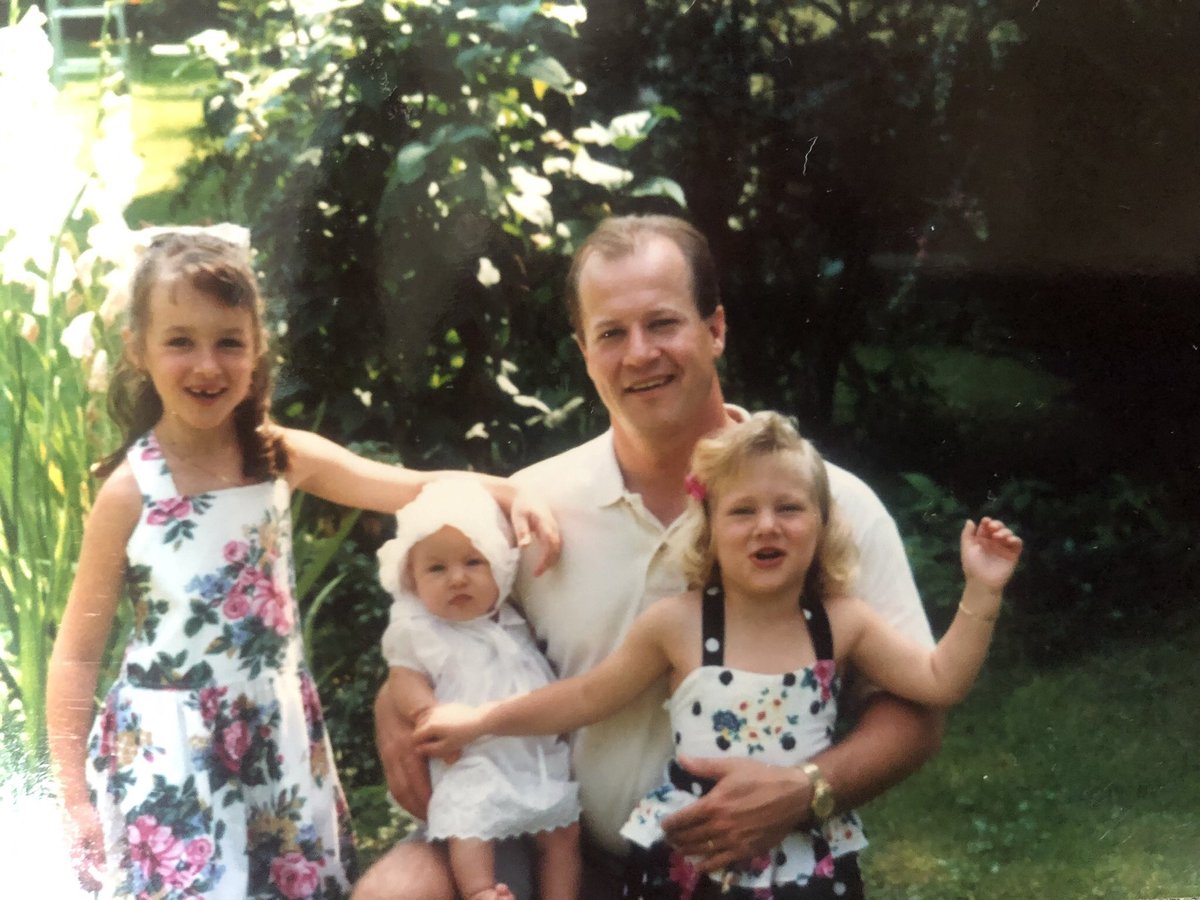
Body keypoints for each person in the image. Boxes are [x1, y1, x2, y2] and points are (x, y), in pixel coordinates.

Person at [360, 215, 945, 899]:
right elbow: (446, 629)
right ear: (584, 352)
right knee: (397, 891)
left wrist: (806, 788)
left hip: (749, 869)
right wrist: (393, 701)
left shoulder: (823, 506)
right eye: (611, 333)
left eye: (663, 323)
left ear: (715, 329)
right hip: (558, 850)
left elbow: (915, 709)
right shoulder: (533, 509)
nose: (640, 354)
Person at [45, 231, 559, 900]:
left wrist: (514, 493)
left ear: (257, 348)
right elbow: (76, 654)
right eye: (180, 342)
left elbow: (408, 486)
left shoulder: (276, 456)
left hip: (275, 742)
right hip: (171, 752)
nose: (207, 364)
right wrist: (72, 796)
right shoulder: (130, 490)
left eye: (229, 341)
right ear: (138, 349)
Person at [414, 412, 1023, 897]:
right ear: (708, 527)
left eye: (789, 508)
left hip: (800, 857)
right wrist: (480, 720)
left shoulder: (842, 623)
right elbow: (585, 697)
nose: (767, 526)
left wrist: (982, 591)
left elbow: (940, 682)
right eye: (742, 511)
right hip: (691, 859)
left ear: (821, 522)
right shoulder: (678, 623)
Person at [376, 479, 581, 900]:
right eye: (436, 569)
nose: (457, 579)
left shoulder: (511, 620)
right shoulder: (419, 630)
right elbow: (403, 679)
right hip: (471, 754)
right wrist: (426, 713)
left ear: (501, 568)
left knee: (563, 835)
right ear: (412, 579)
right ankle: (480, 890)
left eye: (474, 562)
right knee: (471, 822)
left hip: (532, 756)